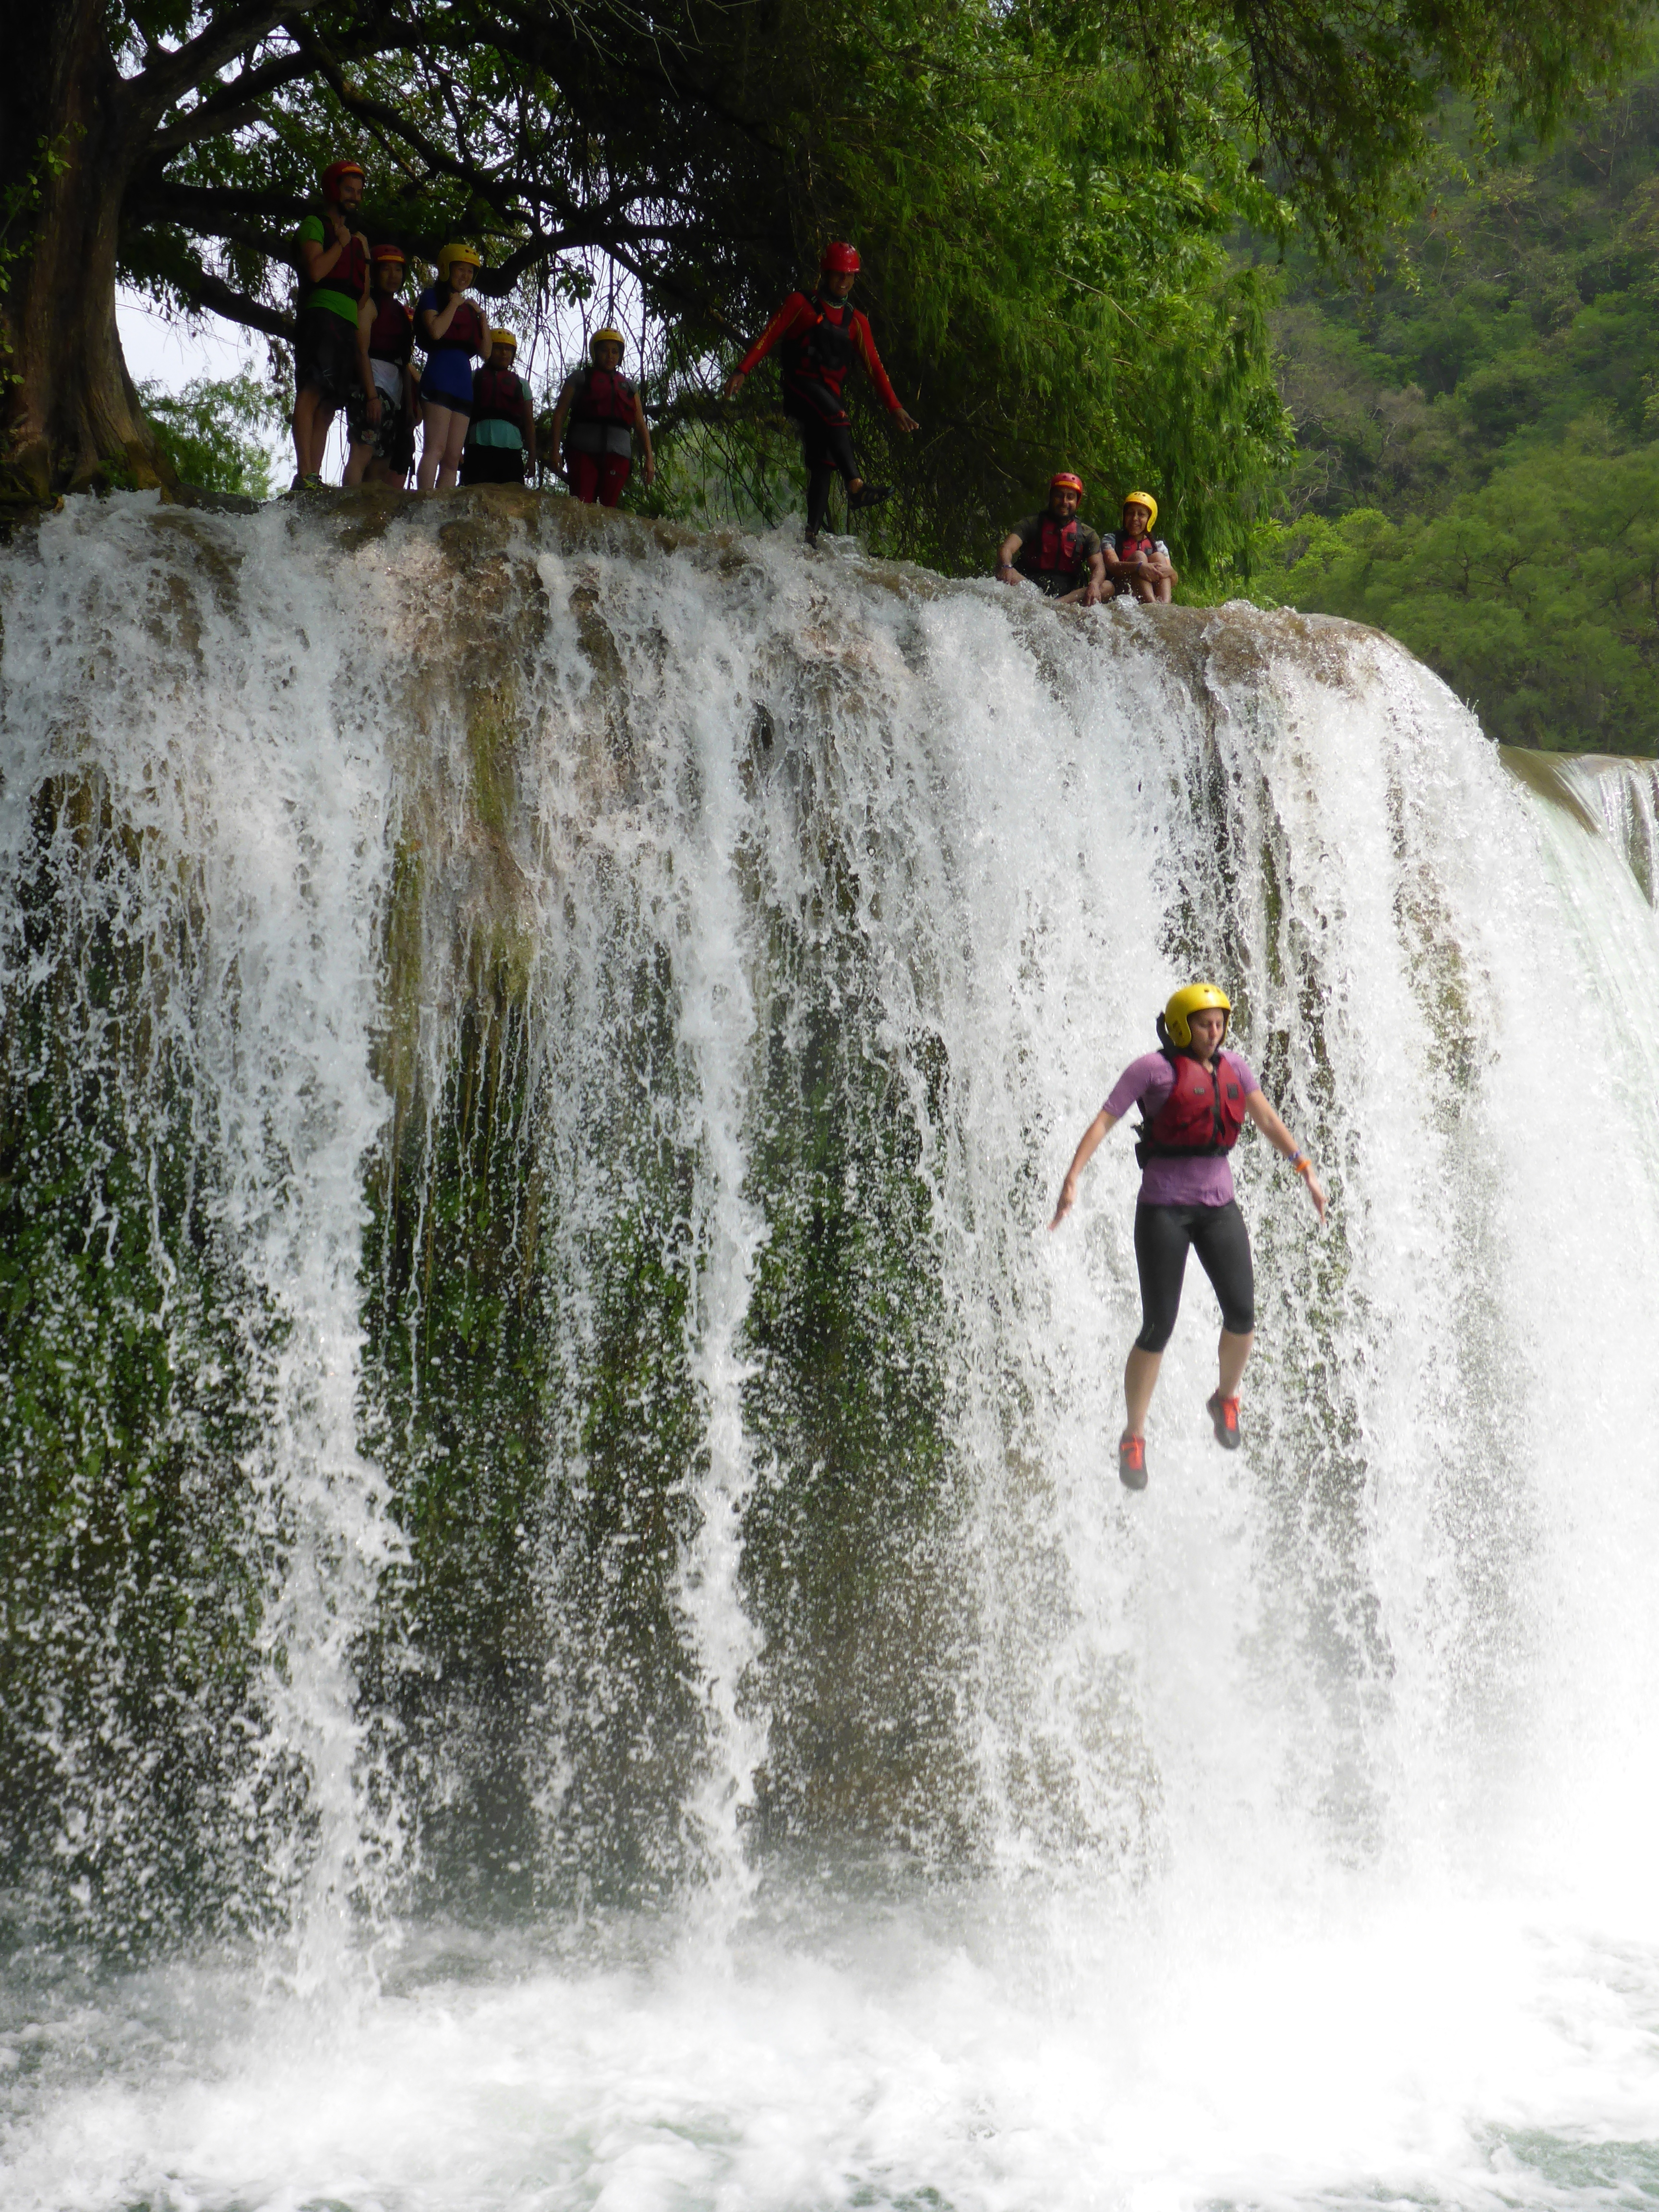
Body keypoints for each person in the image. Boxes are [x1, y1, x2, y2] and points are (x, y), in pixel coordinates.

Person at [1048, 983, 1326, 1491]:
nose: (1214, 1031)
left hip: (1218, 1207)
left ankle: (1225, 1398)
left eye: (1219, 1023)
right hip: (1163, 1210)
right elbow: (1104, 1122)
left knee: (1243, 1314)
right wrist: (1072, 1179)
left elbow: (1264, 1118)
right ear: (1181, 1027)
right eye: (1204, 1024)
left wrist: (1304, 1168)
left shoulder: (1235, 1069)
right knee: (1159, 1325)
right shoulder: (1150, 1071)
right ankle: (1134, 1436)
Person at [721, 242, 919, 546]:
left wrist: (895, 407)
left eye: (850, 275)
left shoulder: (857, 321)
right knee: (838, 418)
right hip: (800, 387)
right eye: (839, 274)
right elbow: (769, 336)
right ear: (826, 274)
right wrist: (742, 370)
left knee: (823, 461)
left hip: (829, 397)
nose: (844, 281)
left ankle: (811, 536)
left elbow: (876, 369)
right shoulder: (800, 303)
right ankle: (856, 486)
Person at [291, 159, 374, 488]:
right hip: (320, 316)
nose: (354, 197)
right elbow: (315, 271)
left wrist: (362, 254)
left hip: (345, 324)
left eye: (359, 192)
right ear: (332, 190)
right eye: (349, 190)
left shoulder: (357, 239)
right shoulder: (315, 225)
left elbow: (364, 294)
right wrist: (341, 242)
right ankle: (304, 473)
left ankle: (315, 476)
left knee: (329, 404)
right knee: (312, 391)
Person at [550, 328, 654, 505]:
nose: (610, 356)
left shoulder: (629, 387)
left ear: (620, 356)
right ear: (595, 353)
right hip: (583, 451)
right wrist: (555, 451)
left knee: (609, 507)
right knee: (581, 504)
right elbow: (559, 415)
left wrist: (649, 460)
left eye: (615, 352)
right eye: (604, 350)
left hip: (617, 455)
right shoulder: (579, 378)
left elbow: (640, 425)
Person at [416, 243, 490, 491]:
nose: (465, 276)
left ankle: (441, 510)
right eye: (461, 270)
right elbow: (435, 331)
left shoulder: (471, 310)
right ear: (447, 269)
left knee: (452, 458)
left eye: (470, 272)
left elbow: (487, 353)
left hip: (462, 384)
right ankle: (424, 501)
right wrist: (454, 305)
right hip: (440, 375)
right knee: (435, 449)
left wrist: (482, 318)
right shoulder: (432, 296)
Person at [345, 244, 417, 488]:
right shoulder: (368, 304)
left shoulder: (400, 312)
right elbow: (360, 350)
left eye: (398, 270)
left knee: (382, 463)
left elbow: (405, 364)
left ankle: (368, 521)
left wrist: (408, 408)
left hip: (394, 395)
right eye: (386, 269)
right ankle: (346, 508)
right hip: (371, 388)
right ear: (374, 273)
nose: (393, 275)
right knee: (363, 451)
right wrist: (371, 396)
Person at [995, 474, 1107, 603]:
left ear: (1077, 502)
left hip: (1068, 595)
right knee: (1003, 570)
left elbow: (1098, 566)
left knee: (1107, 587)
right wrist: (1006, 565)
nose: (1064, 502)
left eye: (1070, 497)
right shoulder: (1032, 524)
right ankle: (1044, 603)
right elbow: (1007, 548)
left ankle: (1055, 605)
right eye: (1059, 496)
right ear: (1051, 498)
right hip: (1029, 587)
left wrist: (1094, 583)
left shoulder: (1087, 534)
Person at [459, 330, 538, 485]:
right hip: (478, 447)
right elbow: (461, 415)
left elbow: (529, 423)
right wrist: (457, 452)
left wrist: (532, 458)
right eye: (498, 348)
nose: (504, 353)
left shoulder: (522, 384)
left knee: (512, 498)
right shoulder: (474, 378)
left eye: (508, 349)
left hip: (511, 450)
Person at [1102, 492, 1178, 602]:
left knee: (1159, 558)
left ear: (1149, 519)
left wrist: (1171, 572)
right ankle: (1151, 604)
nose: (1135, 518)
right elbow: (1112, 566)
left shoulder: (1158, 546)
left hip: (1151, 589)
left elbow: (1172, 580)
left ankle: (1164, 606)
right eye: (1130, 513)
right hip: (1121, 589)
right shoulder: (1111, 540)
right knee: (1139, 556)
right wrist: (1139, 567)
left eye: (1141, 514)